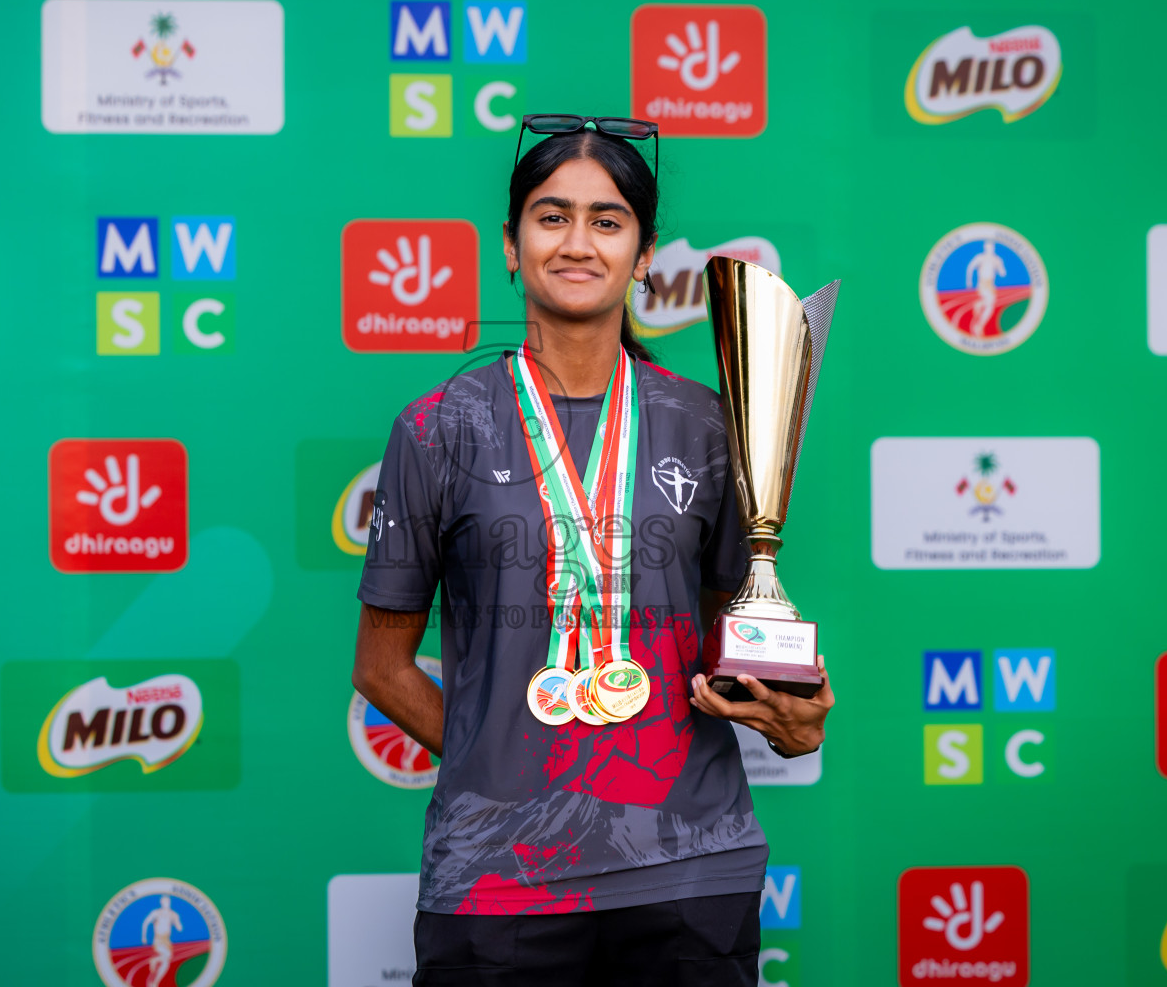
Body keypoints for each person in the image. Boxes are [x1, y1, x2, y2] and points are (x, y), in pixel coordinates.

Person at [351, 115, 835, 987]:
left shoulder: (710, 425)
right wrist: (504, 769)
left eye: (607, 222)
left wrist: (793, 714)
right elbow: (382, 668)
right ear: (510, 244)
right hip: (498, 877)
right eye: (551, 216)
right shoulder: (438, 428)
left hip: (689, 869)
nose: (578, 242)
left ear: (645, 256)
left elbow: (744, 634)